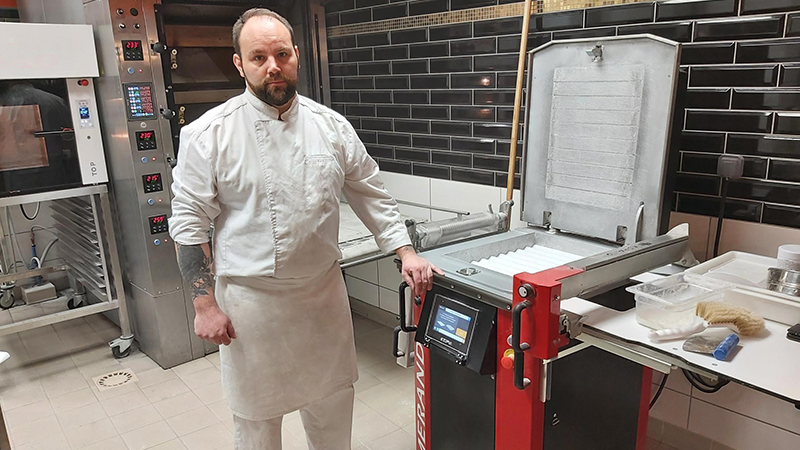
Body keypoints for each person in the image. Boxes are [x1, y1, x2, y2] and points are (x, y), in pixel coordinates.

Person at [168, 7, 441, 450]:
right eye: (258, 57)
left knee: (333, 411)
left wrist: (405, 252)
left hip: (322, 299)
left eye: (281, 53)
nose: (272, 66)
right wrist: (204, 305)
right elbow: (188, 224)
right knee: (257, 424)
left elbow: (370, 193)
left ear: (297, 54)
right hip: (250, 307)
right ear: (239, 64)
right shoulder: (208, 135)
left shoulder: (330, 127)